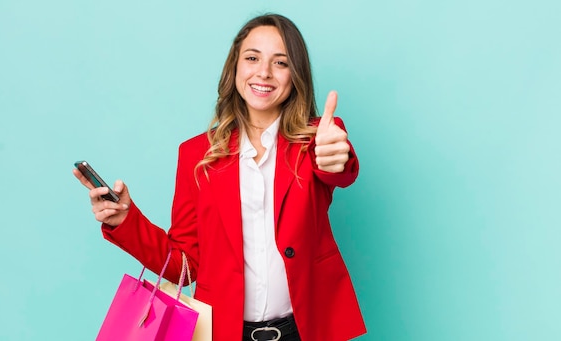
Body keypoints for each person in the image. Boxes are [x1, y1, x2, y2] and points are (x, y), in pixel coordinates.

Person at [74, 13, 366, 341]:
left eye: (280, 62)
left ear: (295, 74)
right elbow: (184, 264)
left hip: (306, 330)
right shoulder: (196, 154)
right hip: (224, 334)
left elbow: (337, 170)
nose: (264, 72)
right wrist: (126, 220)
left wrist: (335, 156)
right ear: (235, 67)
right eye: (252, 58)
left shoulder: (318, 138)